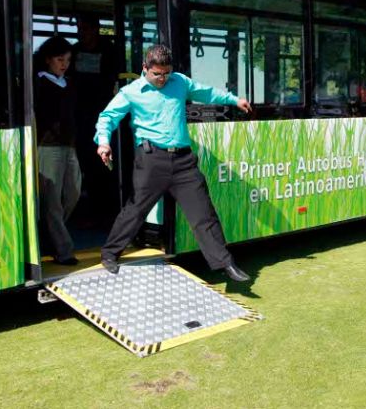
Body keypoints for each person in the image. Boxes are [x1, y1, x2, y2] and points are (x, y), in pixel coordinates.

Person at [95, 44, 253, 281]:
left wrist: (233, 100)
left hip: (183, 161)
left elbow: (206, 92)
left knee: (203, 213)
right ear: (145, 68)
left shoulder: (179, 81)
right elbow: (107, 117)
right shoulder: (131, 92)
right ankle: (110, 253)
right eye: (157, 74)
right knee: (136, 210)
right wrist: (104, 142)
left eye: (166, 73)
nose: (162, 78)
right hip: (151, 160)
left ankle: (225, 263)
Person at [34, 36, 82, 265]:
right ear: (47, 60)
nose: (64, 64)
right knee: (52, 200)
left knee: (73, 191)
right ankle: (64, 251)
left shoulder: (69, 83)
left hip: (69, 146)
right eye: (59, 59)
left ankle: (48, 236)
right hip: (47, 146)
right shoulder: (38, 82)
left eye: (68, 60)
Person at [69, 13, 119, 228]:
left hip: (105, 115)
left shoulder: (110, 50)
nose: (83, 33)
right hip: (80, 117)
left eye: (87, 29)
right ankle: (90, 212)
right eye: (80, 29)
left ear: (96, 29)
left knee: (104, 167)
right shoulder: (73, 51)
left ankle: (107, 213)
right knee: (85, 167)